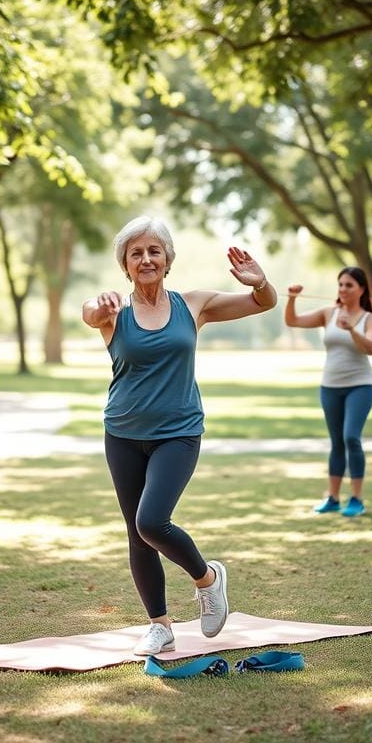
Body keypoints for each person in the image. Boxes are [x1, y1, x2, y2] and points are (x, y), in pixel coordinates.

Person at [82, 216, 277, 656]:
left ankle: (207, 579)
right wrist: (98, 306)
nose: (146, 258)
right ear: (125, 264)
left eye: (154, 251)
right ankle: (160, 624)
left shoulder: (194, 304)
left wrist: (260, 281)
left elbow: (263, 303)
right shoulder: (115, 312)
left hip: (179, 432)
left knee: (151, 521)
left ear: (168, 259)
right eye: (136, 253)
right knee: (136, 534)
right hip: (123, 433)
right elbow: (88, 312)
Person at [284, 267, 372, 518]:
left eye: (349, 285)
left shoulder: (371, 318)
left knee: (351, 437)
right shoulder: (329, 313)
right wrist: (292, 298)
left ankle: (357, 499)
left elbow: (371, 347)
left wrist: (351, 329)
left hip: (360, 385)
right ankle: (333, 497)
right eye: (340, 284)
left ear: (361, 289)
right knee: (337, 441)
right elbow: (292, 321)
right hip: (330, 386)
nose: (343, 289)